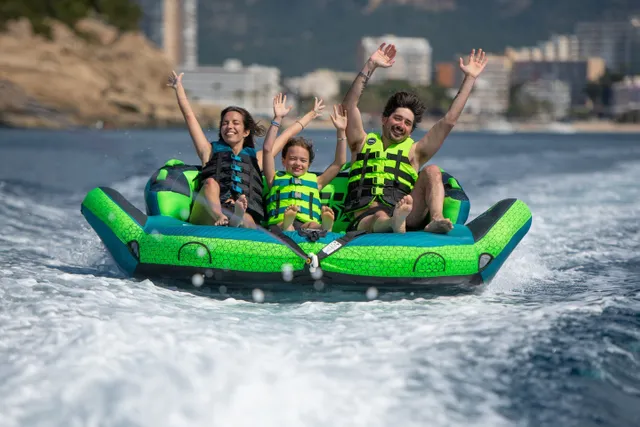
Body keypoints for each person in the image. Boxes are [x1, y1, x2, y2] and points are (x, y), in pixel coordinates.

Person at [341, 43, 488, 234]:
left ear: (410, 130)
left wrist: (469, 78)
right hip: (365, 215)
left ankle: (436, 220)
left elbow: (449, 121)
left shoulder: (415, 152)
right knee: (379, 217)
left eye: (407, 123)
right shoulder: (360, 142)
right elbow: (348, 107)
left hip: (407, 211)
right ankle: (393, 223)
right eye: (397, 118)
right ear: (384, 119)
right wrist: (370, 65)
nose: (401, 125)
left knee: (433, 170)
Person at [167, 70, 267, 228]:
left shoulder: (257, 159)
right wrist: (179, 91)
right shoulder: (209, 151)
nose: (229, 127)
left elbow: (274, 145)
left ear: (246, 132)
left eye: (235, 123)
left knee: (248, 220)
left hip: (238, 211)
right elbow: (189, 117)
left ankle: (236, 219)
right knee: (211, 183)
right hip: (207, 215)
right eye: (225, 123)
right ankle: (221, 216)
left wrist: (280, 119)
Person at [262, 93, 348, 231]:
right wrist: (277, 119)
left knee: (312, 226)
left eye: (303, 160)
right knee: (283, 226)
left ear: (309, 164)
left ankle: (324, 226)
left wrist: (341, 131)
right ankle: (288, 224)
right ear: (283, 161)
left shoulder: (317, 181)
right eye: (292, 159)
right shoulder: (274, 178)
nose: (297, 163)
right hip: (279, 225)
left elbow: (339, 162)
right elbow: (267, 150)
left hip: (306, 224)